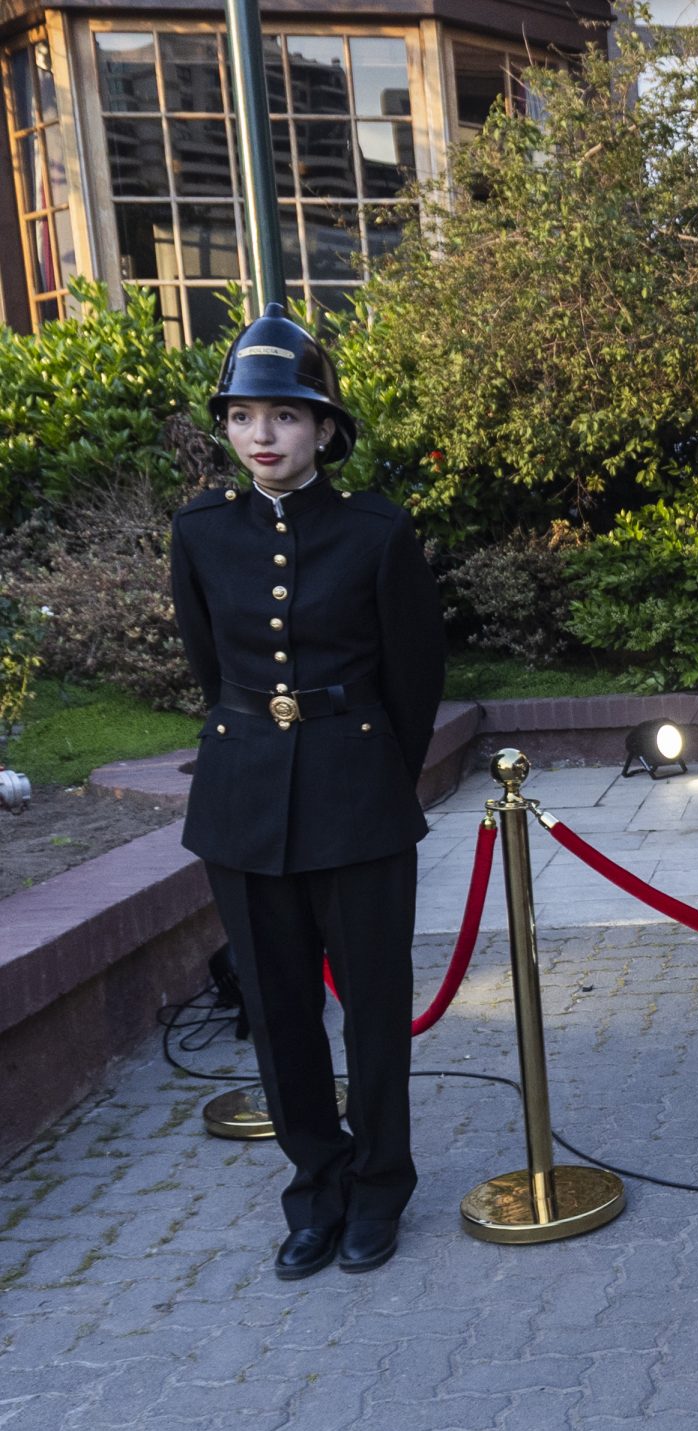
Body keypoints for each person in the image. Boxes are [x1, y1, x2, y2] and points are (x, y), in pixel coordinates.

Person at [169, 306, 445, 1283]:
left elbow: (414, 678)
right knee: (278, 1010)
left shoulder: (377, 531)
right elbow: (213, 670)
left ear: (324, 428)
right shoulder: (201, 531)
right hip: (243, 800)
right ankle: (315, 1187)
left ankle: (379, 1186)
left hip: (356, 795)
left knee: (372, 1008)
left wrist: (376, 776)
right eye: (244, 416)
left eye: (284, 415)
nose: (262, 435)